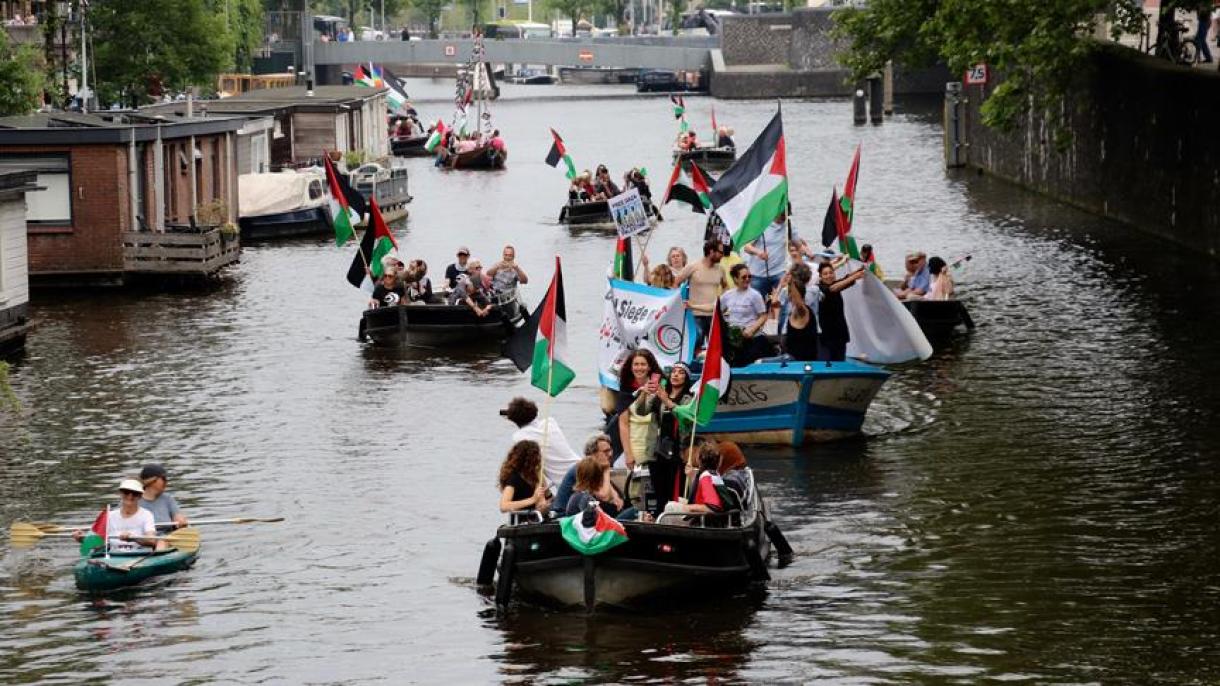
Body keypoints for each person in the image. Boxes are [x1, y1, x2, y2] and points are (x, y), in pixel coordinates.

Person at [503, 397, 581, 490]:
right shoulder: (550, 422)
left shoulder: (519, 437)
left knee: (560, 505)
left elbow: (535, 468)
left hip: (566, 480)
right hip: (581, 466)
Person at [741, 209, 812, 313]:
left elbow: (799, 245)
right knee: (758, 307)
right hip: (758, 274)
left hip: (779, 273)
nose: (784, 217)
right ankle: (760, 326)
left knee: (785, 302)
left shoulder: (789, 227)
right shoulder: (762, 225)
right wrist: (758, 252)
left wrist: (808, 253)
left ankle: (782, 327)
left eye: (787, 214)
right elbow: (747, 247)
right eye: (782, 214)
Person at [73, 479, 167, 552]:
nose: (130, 496)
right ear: (121, 494)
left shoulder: (146, 515)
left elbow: (151, 540)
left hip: (140, 556)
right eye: (126, 492)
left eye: (135, 493)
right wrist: (82, 539)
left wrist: (133, 538)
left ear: (140, 496)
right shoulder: (110, 515)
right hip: (115, 556)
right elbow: (98, 543)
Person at [651, 362, 695, 514]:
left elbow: (686, 416)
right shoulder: (661, 396)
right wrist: (646, 393)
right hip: (660, 450)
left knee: (674, 489)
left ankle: (672, 515)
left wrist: (667, 402)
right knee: (658, 488)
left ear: (687, 378)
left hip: (678, 452)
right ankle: (657, 514)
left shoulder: (689, 400)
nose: (675, 375)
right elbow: (642, 411)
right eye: (674, 372)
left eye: (681, 372)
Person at [613, 349, 664, 467]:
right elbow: (623, 424)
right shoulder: (626, 390)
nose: (639, 368)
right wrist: (628, 454)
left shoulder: (659, 386)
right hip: (636, 444)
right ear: (630, 367)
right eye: (636, 364)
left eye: (643, 364)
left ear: (649, 367)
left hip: (656, 444)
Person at [674, 239, 731, 344]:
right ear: (711, 252)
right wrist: (680, 302)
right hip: (695, 314)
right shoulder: (693, 267)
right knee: (697, 340)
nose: (723, 255)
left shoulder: (720, 269)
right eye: (721, 252)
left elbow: (726, 287)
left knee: (716, 344)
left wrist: (723, 303)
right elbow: (675, 283)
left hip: (714, 314)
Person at [721, 264, 776, 365]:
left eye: (749, 276)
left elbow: (763, 315)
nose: (747, 279)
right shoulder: (728, 295)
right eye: (744, 277)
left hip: (752, 337)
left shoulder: (755, 295)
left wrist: (752, 329)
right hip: (736, 339)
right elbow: (716, 310)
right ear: (735, 279)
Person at [565, 457, 646, 522]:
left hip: (587, 533)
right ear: (596, 477)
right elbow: (603, 519)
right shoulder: (585, 498)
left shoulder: (576, 496)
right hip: (598, 536)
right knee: (637, 509)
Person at [553, 433, 616, 516]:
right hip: (564, 517)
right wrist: (607, 470)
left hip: (582, 515)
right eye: (605, 451)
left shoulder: (586, 495)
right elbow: (604, 497)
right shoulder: (584, 469)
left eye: (610, 450)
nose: (610, 454)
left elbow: (611, 498)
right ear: (593, 453)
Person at [817, 262, 867, 361]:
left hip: (840, 333)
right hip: (827, 336)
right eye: (825, 274)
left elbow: (845, 280)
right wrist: (854, 277)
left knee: (840, 360)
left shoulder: (836, 284)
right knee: (828, 362)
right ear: (820, 276)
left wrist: (859, 271)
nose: (829, 276)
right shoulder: (820, 288)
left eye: (831, 273)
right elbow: (833, 288)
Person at [498, 440, 552, 513]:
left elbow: (544, 501)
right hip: (522, 518)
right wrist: (532, 499)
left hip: (538, 516)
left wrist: (545, 504)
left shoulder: (537, 476)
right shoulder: (514, 478)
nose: (539, 459)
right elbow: (504, 506)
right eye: (537, 456)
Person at [781, 262, 819, 361]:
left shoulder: (803, 310)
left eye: (790, 293)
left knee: (761, 362)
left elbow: (798, 303)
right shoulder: (792, 311)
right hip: (791, 359)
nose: (788, 295)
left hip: (804, 361)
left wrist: (791, 283)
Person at [139, 464, 187, 531]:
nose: (166, 482)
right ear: (152, 481)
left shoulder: (168, 499)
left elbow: (177, 515)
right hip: (144, 539)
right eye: (163, 479)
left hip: (168, 539)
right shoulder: (132, 499)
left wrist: (180, 520)